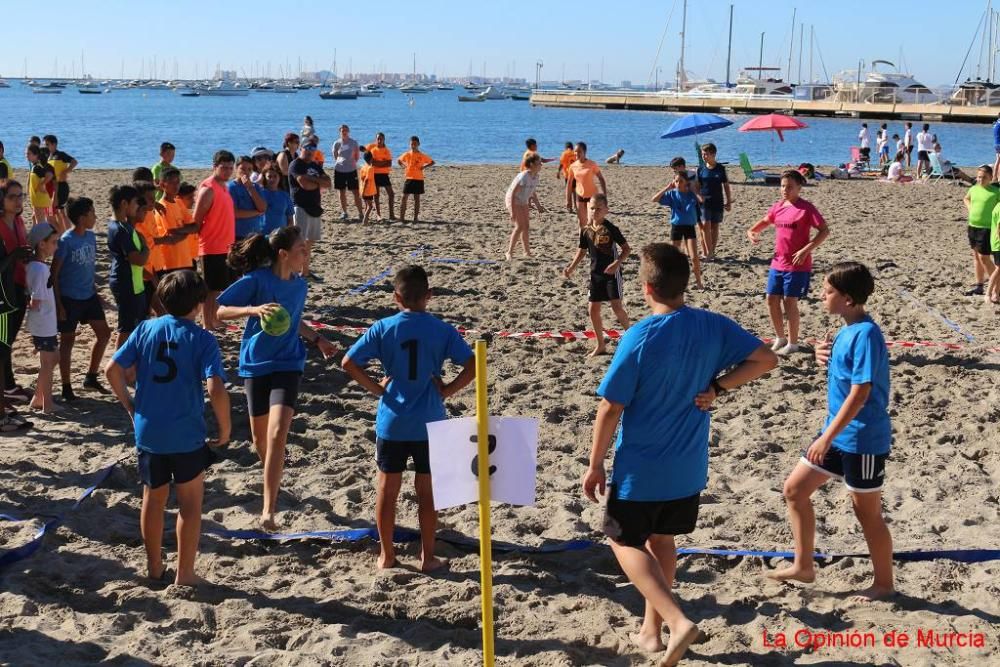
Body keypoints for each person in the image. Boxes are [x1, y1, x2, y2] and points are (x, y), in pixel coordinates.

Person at [583, 243, 776, 665]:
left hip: (641, 466)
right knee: (662, 540)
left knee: (620, 538)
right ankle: (651, 632)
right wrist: (719, 387)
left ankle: (675, 619)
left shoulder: (639, 335)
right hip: (687, 465)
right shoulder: (713, 324)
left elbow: (610, 407)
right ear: (683, 283)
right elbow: (765, 359)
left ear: (646, 288)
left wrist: (595, 463)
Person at [768, 262, 894, 602]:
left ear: (848, 299)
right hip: (837, 433)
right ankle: (803, 566)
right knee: (794, 490)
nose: (821, 295)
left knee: (866, 513)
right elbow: (844, 369)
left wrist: (825, 438)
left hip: (862, 438)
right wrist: (823, 355)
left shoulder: (867, 333)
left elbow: (861, 391)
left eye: (828, 291)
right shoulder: (846, 330)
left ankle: (884, 584)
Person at [341, 264, 475, 572]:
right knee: (427, 493)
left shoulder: (383, 327)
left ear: (396, 298)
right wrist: (448, 390)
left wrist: (377, 388)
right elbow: (473, 365)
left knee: (387, 491)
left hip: (394, 419)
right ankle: (427, 558)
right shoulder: (441, 329)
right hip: (430, 420)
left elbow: (348, 362)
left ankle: (387, 556)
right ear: (429, 295)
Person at [106, 270, 231, 588]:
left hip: (149, 431)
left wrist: (130, 407)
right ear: (200, 303)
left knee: (153, 497)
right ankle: (185, 574)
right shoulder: (202, 338)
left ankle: (154, 567)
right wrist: (225, 427)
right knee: (190, 503)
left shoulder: (146, 328)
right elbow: (216, 386)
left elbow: (112, 370)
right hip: (186, 433)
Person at [217, 228, 338, 530]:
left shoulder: (299, 287)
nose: (306, 254)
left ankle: (268, 509)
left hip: (289, 362)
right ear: (283, 254)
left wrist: (318, 339)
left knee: (276, 435)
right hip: (256, 363)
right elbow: (219, 311)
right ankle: (273, 478)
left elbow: (294, 322)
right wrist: (252, 309)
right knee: (261, 440)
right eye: (301, 249)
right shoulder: (257, 280)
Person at [747, 170, 830, 356]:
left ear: (799, 188)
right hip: (777, 262)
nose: (785, 189)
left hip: (797, 264)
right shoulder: (778, 206)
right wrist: (752, 231)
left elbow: (824, 231)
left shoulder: (806, 208)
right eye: (783, 186)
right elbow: (764, 222)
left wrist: (805, 250)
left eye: (789, 186)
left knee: (789, 301)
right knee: (771, 299)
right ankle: (780, 338)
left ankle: (793, 343)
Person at [52, 197, 112, 401]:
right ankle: (66, 386)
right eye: (92, 213)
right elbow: (55, 274)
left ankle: (91, 377)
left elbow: (88, 268)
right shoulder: (66, 241)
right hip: (69, 298)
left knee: (104, 334)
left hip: (89, 296)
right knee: (68, 340)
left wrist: (96, 292)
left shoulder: (90, 237)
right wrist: (59, 305)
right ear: (81, 217)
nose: (95, 216)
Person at [563, 194, 630, 357]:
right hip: (595, 274)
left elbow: (627, 249)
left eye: (599, 208)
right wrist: (571, 267)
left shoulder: (611, 228)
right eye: (592, 208)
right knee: (593, 310)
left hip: (612, 274)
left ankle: (631, 336)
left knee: (616, 307)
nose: (595, 211)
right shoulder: (585, 229)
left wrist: (617, 263)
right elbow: (582, 250)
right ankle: (600, 345)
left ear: (606, 210)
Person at [0, 181, 32, 430]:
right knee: (2, 344)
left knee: (8, 342)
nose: (19, 200)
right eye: (13, 197)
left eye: (20, 196)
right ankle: (6, 393)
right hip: (3, 293)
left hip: (19, 288)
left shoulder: (19, 221)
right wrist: (15, 256)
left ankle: (7, 389)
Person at [193, 150, 236, 330]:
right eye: (223, 167)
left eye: (230, 168)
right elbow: (196, 221)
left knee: (218, 289)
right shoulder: (208, 189)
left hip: (224, 246)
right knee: (210, 290)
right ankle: (206, 324)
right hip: (211, 246)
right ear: (214, 167)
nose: (227, 171)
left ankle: (214, 319)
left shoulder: (224, 186)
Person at [108, 185, 150, 349]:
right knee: (126, 328)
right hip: (127, 283)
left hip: (134, 282)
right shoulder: (120, 229)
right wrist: (146, 247)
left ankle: (130, 362)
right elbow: (137, 260)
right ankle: (119, 365)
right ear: (124, 204)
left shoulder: (123, 226)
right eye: (134, 203)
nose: (137, 207)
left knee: (135, 325)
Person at [25, 223, 60, 412]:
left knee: (53, 358)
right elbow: (35, 300)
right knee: (48, 363)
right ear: (42, 244)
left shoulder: (38, 267)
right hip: (42, 322)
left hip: (46, 322)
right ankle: (47, 404)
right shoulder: (39, 270)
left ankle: (38, 399)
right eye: (54, 242)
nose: (56, 246)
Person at [653, 172, 704, 289]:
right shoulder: (671, 194)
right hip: (676, 227)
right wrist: (667, 187)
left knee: (694, 257)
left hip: (689, 227)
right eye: (676, 181)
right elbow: (654, 199)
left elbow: (701, 200)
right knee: (674, 256)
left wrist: (693, 189)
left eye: (681, 181)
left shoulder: (691, 194)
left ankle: (699, 283)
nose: (678, 183)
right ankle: (673, 282)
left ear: (686, 182)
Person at [288, 141, 331, 281]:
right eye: (307, 148)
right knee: (297, 242)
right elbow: (304, 185)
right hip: (300, 206)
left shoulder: (314, 165)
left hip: (315, 207)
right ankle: (293, 272)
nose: (310, 151)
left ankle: (305, 273)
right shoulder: (296, 164)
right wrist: (318, 182)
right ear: (301, 148)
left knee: (309, 242)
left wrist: (313, 180)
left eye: (313, 149)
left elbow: (328, 183)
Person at [962, 165, 999, 297]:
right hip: (973, 227)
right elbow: (966, 198)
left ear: (990, 177)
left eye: (983, 177)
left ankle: (997, 285)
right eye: (978, 177)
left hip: (988, 228)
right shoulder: (974, 189)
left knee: (984, 258)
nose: (980, 180)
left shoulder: (996, 191)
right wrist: (970, 208)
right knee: (976, 257)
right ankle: (979, 286)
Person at [154, 168, 198, 275]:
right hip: (171, 262)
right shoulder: (162, 206)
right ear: (163, 185)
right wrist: (186, 230)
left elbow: (195, 227)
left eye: (177, 182)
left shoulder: (179, 202)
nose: (176, 186)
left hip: (186, 259)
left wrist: (181, 230)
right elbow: (172, 237)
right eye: (172, 182)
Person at [504, 153, 545, 260]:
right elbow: (513, 194)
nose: (541, 164)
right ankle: (509, 252)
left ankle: (527, 252)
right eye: (538, 163)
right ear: (531, 164)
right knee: (520, 226)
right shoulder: (524, 176)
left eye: (541, 162)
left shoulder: (536, 177)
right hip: (513, 200)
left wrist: (538, 206)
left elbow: (533, 192)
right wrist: (512, 212)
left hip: (523, 200)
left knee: (526, 226)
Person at [697, 143, 732, 259]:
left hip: (717, 201)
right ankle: (709, 252)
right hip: (704, 202)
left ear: (713, 154)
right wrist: (697, 197)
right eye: (703, 154)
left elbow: (726, 186)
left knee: (715, 226)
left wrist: (728, 201)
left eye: (706, 154)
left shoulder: (721, 168)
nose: (704, 156)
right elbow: (697, 186)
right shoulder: (700, 169)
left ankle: (712, 251)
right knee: (706, 225)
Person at [566, 142, 607, 228]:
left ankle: (592, 240)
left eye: (579, 151)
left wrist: (604, 195)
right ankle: (583, 241)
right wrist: (568, 200)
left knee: (591, 221)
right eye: (575, 151)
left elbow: (601, 178)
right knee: (581, 223)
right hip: (579, 196)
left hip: (592, 197)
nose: (577, 153)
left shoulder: (592, 164)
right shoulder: (573, 166)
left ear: (585, 152)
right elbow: (569, 184)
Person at [43, 135, 77, 233]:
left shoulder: (60, 155)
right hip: (52, 187)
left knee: (61, 211)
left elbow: (74, 162)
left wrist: (66, 171)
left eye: (47, 144)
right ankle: (62, 233)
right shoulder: (48, 157)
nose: (45, 147)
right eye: (45, 145)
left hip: (61, 186)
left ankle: (69, 233)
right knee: (56, 212)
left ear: (54, 144)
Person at [228, 155, 267, 242]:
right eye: (243, 169)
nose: (246, 172)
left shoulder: (255, 187)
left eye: (249, 169)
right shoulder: (231, 187)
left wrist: (250, 188)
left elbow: (263, 208)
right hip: (238, 235)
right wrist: (256, 213)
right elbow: (235, 213)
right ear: (236, 168)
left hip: (256, 234)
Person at [398, 136, 435, 223]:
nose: (413, 145)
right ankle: (401, 218)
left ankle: (415, 218)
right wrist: (404, 167)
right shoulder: (407, 154)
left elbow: (432, 162)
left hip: (418, 179)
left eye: (415, 144)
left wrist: (424, 167)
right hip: (409, 178)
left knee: (416, 198)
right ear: (409, 144)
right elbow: (399, 161)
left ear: (418, 144)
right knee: (404, 198)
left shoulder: (422, 155)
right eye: (411, 144)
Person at [333, 125, 363, 221]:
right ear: (340, 132)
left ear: (348, 131)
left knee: (355, 192)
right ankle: (344, 212)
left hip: (351, 170)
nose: (344, 132)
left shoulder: (353, 143)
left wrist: (351, 163)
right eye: (342, 131)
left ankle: (360, 213)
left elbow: (357, 156)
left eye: (345, 130)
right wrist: (341, 163)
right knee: (341, 192)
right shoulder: (337, 143)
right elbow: (335, 156)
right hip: (339, 170)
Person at [365, 132, 395, 221]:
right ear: (375, 139)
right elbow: (371, 162)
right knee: (376, 195)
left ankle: (391, 214)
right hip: (375, 174)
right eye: (378, 138)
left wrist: (378, 163)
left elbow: (389, 163)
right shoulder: (372, 149)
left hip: (384, 175)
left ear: (384, 139)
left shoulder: (386, 150)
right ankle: (378, 215)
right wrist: (382, 163)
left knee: (391, 194)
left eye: (381, 138)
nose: (379, 140)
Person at [260, 166, 294, 235]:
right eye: (269, 177)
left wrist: (289, 234)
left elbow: (290, 218)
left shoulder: (285, 195)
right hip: (262, 235)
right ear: (264, 178)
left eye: (275, 176)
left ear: (279, 177)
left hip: (280, 236)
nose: (272, 179)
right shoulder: (259, 194)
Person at [25, 144, 53, 225]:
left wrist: (42, 184)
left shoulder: (37, 167)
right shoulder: (35, 166)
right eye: (26, 153)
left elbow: (50, 175)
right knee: (37, 220)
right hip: (37, 199)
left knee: (40, 223)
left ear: (36, 155)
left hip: (40, 200)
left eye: (28, 154)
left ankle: (49, 237)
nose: (26, 156)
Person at [358, 152, 378, 226]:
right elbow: (366, 180)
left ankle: (366, 219)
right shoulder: (370, 168)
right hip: (368, 191)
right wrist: (364, 191)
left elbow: (362, 179)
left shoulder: (363, 167)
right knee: (370, 206)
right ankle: (365, 219)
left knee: (367, 205)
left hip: (362, 189)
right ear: (371, 158)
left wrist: (362, 190)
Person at [558, 141, 577, 213]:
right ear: (572, 147)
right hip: (575, 174)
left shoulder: (564, 153)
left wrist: (558, 172)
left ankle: (569, 207)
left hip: (568, 175)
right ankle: (576, 205)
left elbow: (561, 164)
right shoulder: (575, 153)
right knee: (575, 191)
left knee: (569, 190)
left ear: (566, 147)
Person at [992, 112, 1000, 181]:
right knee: (998, 160)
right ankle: (995, 177)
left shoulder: (996, 123)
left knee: (998, 160)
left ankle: (997, 176)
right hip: (999, 144)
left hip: (996, 144)